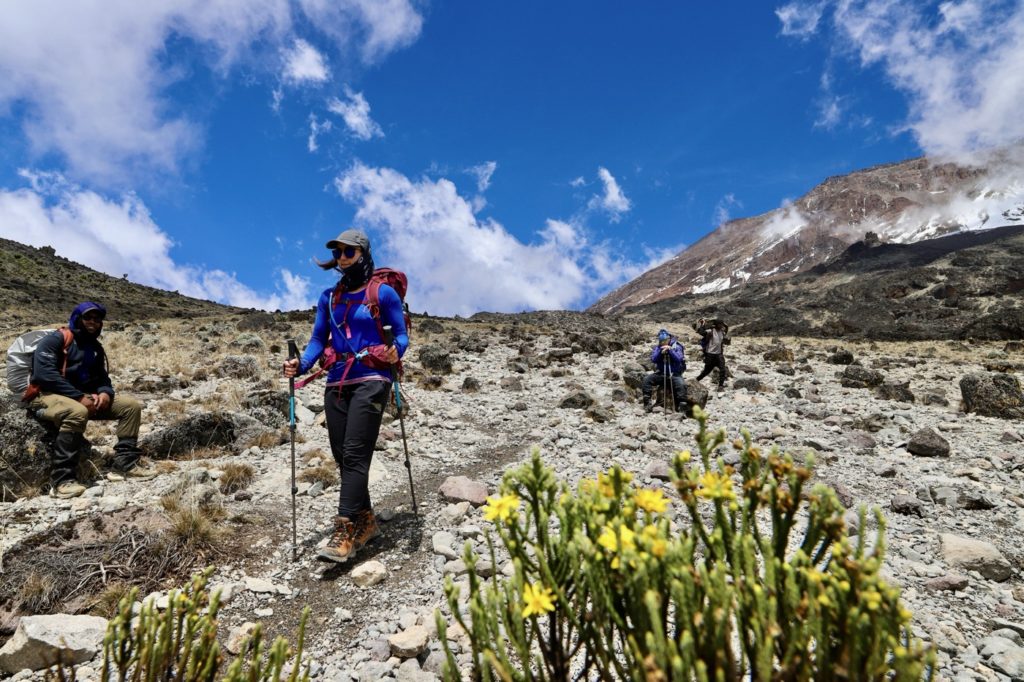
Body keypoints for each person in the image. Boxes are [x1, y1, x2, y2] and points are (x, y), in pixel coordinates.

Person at [283, 229, 408, 563]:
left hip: (372, 379)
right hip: (336, 382)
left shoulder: (382, 295)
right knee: (343, 456)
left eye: (348, 252)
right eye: (337, 253)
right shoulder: (329, 298)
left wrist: (397, 352)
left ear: (363, 254)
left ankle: (344, 530)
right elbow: (316, 339)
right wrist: (302, 363)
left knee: (354, 453)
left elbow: (401, 335)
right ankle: (366, 520)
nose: (341, 259)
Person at [30, 302, 156, 498]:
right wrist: (79, 397)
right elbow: (44, 375)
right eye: (88, 318)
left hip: (80, 397)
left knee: (130, 407)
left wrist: (105, 392)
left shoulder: (94, 347)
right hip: (46, 396)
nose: (93, 322)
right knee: (76, 412)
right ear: (77, 319)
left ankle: (125, 463)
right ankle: (62, 480)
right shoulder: (55, 340)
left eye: (97, 319)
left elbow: (102, 377)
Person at [641, 329, 687, 413]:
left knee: (681, 385)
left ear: (668, 339)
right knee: (647, 380)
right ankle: (647, 403)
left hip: (674, 373)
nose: (662, 343)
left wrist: (670, 350)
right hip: (662, 373)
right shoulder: (658, 347)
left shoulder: (677, 346)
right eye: (661, 341)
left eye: (664, 341)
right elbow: (654, 359)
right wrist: (660, 352)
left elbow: (679, 359)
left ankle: (682, 408)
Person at [694, 317, 730, 389]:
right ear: (716, 325)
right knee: (706, 371)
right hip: (710, 354)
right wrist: (702, 324)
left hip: (719, 354)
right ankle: (696, 380)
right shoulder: (711, 331)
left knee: (723, 369)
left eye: (722, 325)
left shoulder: (722, 332)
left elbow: (726, 330)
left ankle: (720, 386)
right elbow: (701, 332)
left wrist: (725, 325)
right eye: (720, 324)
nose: (721, 326)